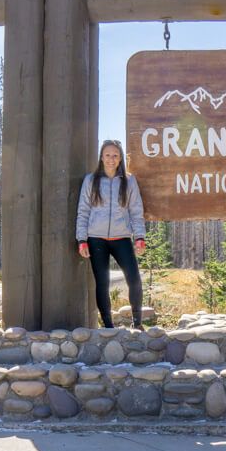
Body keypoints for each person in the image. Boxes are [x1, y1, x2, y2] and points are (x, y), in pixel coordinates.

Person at [76, 140, 147, 329]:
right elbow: (83, 211)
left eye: (115, 155)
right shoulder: (91, 180)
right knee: (102, 283)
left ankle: (137, 323)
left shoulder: (129, 181)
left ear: (120, 158)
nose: (111, 159)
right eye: (107, 155)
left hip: (121, 238)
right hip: (96, 238)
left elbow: (136, 211)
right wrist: (82, 239)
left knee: (134, 279)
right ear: (101, 157)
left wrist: (139, 237)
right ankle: (108, 327)